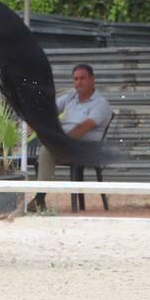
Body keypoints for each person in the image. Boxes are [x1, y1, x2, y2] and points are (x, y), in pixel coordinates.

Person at [29, 63, 112, 211]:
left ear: (92, 80)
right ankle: (38, 200)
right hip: (64, 145)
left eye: (83, 78)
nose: (79, 82)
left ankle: (38, 199)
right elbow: (48, 111)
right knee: (46, 150)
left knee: (47, 151)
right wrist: (35, 122)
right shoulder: (69, 98)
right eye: (75, 79)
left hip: (85, 148)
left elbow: (84, 127)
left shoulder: (101, 104)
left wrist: (59, 141)